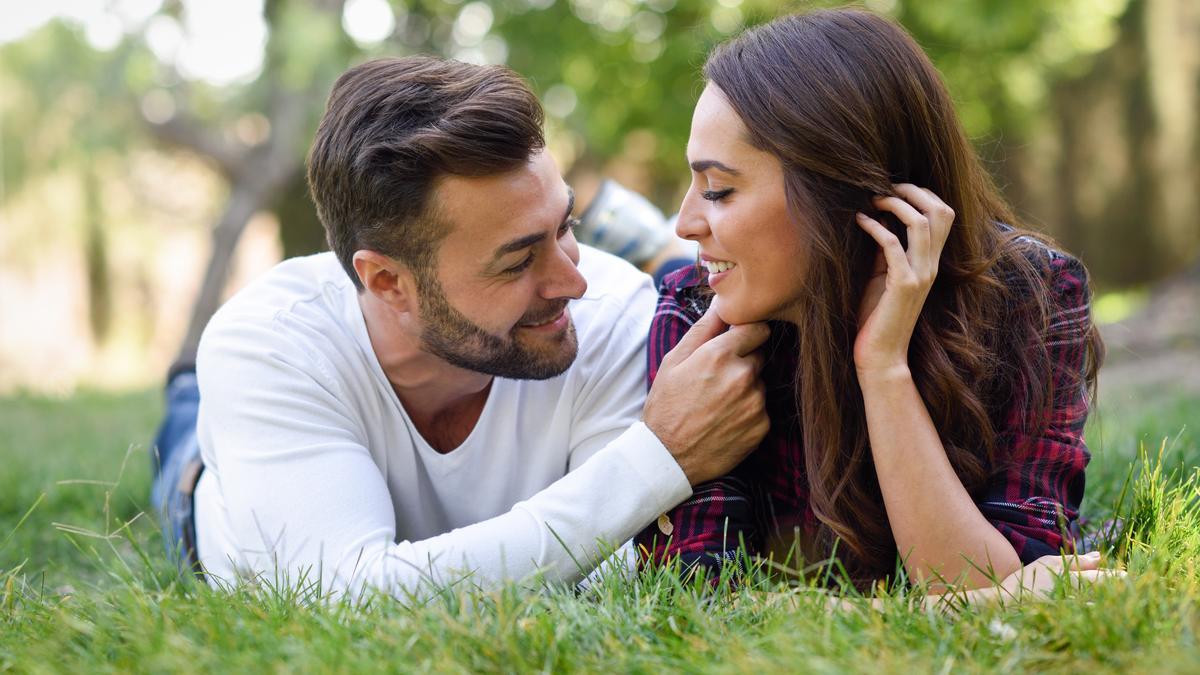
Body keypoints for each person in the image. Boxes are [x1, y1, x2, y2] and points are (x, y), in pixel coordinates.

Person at [150, 56, 773, 599]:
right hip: (211, 485)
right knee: (188, 427)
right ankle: (188, 394)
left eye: (565, 226)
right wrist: (656, 458)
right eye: (518, 260)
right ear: (389, 282)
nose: (573, 282)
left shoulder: (612, 313)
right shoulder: (270, 344)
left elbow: (611, 575)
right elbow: (344, 597)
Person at [634, 9, 1106, 593]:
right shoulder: (694, 316)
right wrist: (966, 605)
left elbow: (998, 570)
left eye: (718, 190)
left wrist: (882, 368)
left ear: (841, 194)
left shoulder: (1029, 295)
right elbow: (700, 595)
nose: (683, 225)